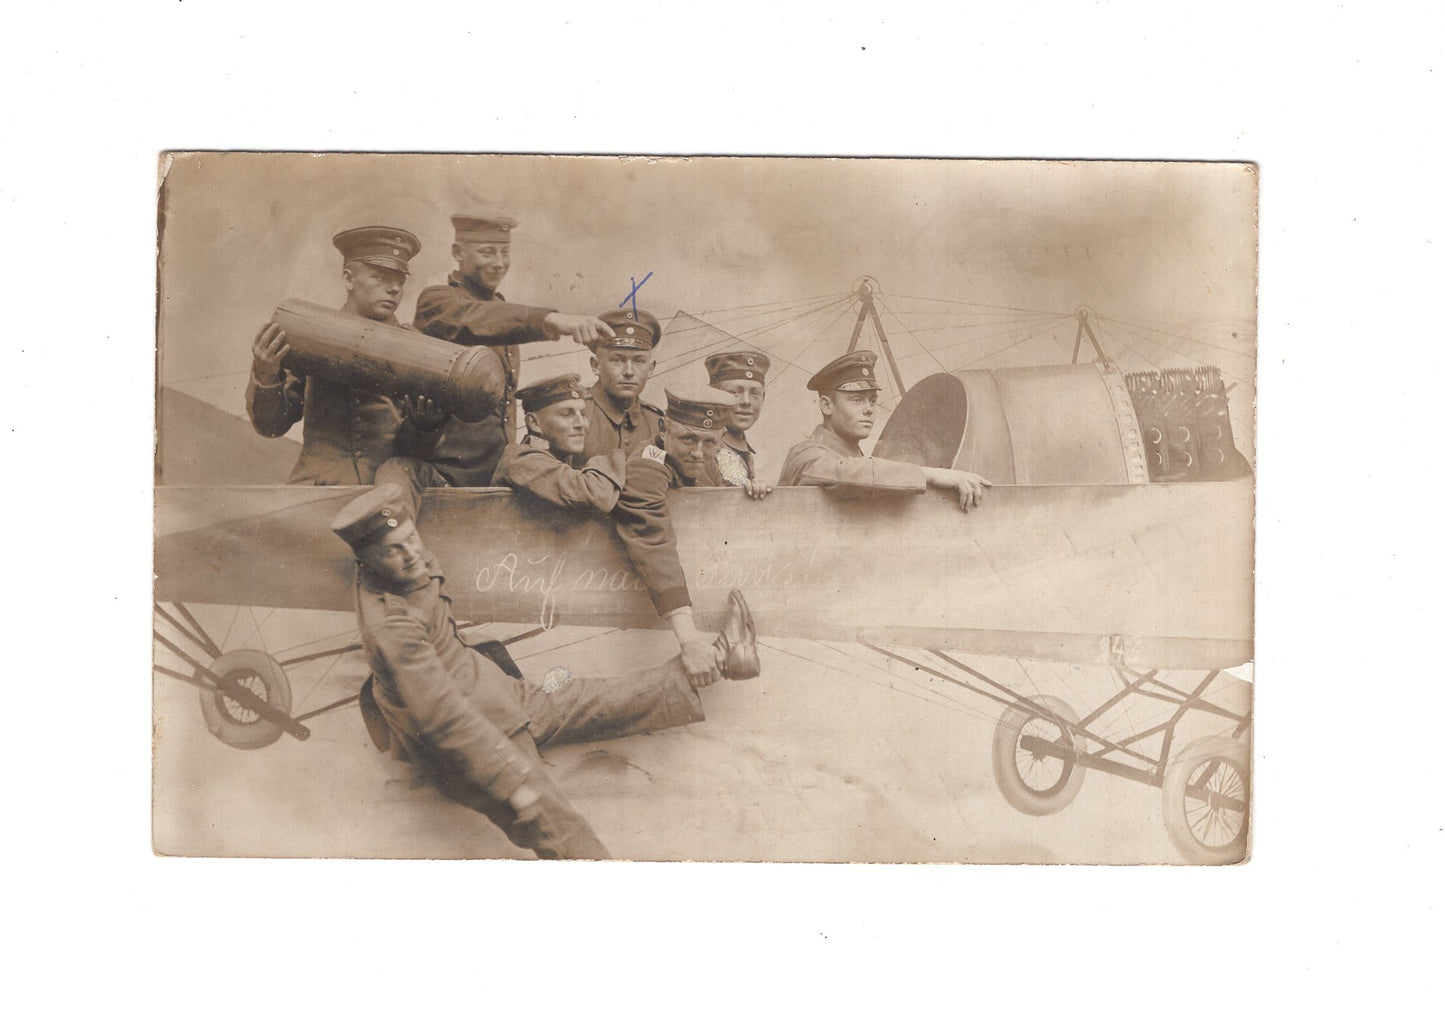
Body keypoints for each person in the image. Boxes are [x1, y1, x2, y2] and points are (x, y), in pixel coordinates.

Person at [332, 483, 758, 859]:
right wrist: (510, 780)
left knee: (598, 697)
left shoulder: (384, 544)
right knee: (562, 828)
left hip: (496, 692)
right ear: (365, 559)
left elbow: (408, 479)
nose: (411, 556)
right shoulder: (394, 625)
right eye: (394, 551)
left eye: (410, 539)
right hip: (473, 744)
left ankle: (723, 657)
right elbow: (444, 718)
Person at [405, 209, 617, 489]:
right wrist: (552, 319)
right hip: (445, 474)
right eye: (487, 252)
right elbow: (476, 317)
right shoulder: (438, 301)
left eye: (505, 252)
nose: (498, 263)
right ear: (458, 251)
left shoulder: (500, 308)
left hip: (494, 474)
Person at [245, 226, 446, 485]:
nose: (394, 288)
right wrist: (266, 371)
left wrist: (423, 426)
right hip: (318, 487)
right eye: (380, 277)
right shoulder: (312, 335)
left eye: (400, 280)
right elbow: (270, 426)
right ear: (348, 279)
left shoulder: (416, 348)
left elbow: (413, 454)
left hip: (384, 491)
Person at [613, 384, 770, 687]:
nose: (698, 453)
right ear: (664, 427)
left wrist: (750, 490)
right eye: (688, 439)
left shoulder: (710, 459)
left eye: (709, 443)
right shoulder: (648, 464)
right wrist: (689, 641)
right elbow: (653, 543)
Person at [778, 350, 991, 510]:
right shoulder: (806, 454)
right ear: (826, 406)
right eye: (857, 400)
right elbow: (846, 473)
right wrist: (931, 474)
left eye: (872, 401)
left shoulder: (853, 456)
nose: (869, 409)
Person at [492, 373, 626, 513]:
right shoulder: (522, 460)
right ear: (534, 423)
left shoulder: (557, 458)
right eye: (567, 413)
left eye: (583, 414)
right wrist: (616, 458)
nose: (581, 424)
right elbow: (595, 495)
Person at [580, 307, 665, 459]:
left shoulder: (657, 423)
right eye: (617, 360)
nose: (629, 371)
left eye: (639, 361)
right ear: (595, 365)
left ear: (651, 369)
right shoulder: (575, 413)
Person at [705, 349, 772, 495]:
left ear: (764, 397)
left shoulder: (743, 450)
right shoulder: (704, 449)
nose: (746, 402)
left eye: (755, 393)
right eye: (734, 392)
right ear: (713, 395)